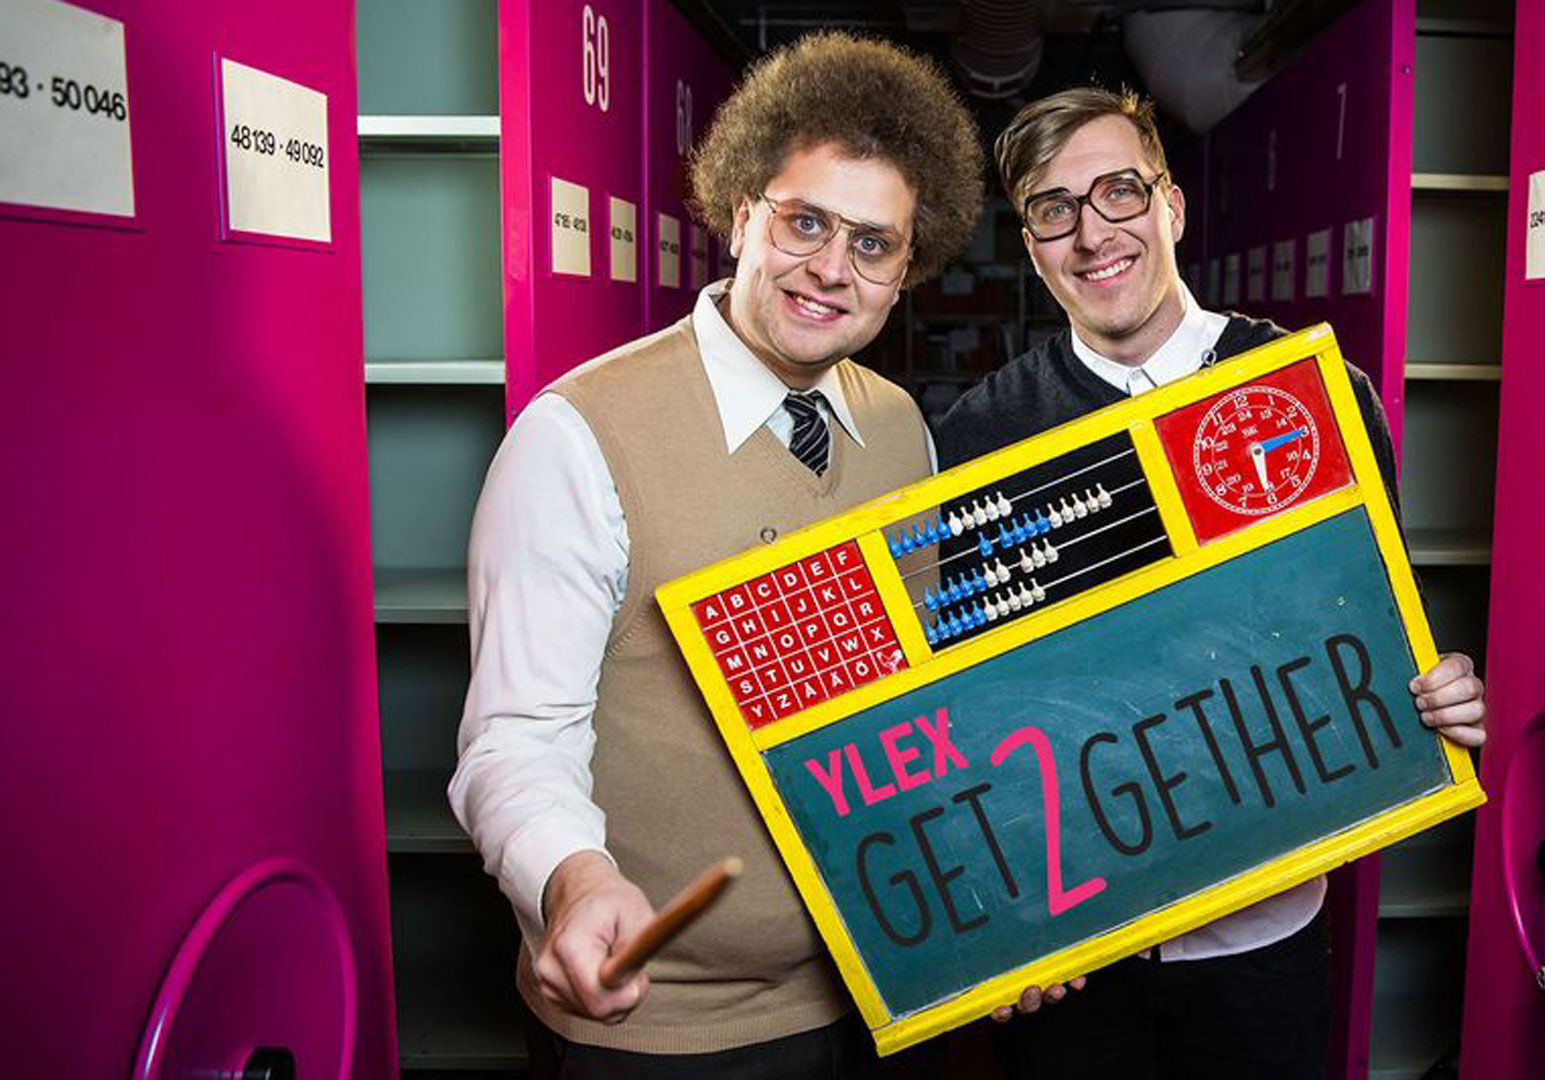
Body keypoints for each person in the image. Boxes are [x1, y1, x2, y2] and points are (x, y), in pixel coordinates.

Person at [449, 33, 983, 1079]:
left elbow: (911, 701)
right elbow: (515, 739)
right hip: (657, 1032)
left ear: (906, 270)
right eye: (805, 221)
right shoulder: (578, 436)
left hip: (868, 992)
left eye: (874, 243)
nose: (831, 269)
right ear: (742, 214)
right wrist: (573, 879)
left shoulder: (903, 431)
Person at [933, 87, 1489, 1079]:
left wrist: (1437, 690)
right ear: (1031, 246)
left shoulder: (1312, 392)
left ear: (1173, 206)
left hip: (1264, 938)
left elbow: (1372, 627)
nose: (1092, 233)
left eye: (1119, 191)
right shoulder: (980, 435)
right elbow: (970, 705)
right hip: (1073, 954)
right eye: (1055, 210)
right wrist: (998, 915)